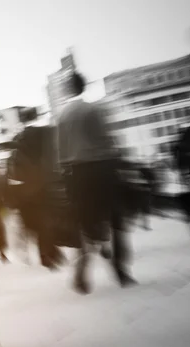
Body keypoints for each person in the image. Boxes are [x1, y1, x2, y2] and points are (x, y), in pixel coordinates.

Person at [57, 72, 137, 295]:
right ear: (84, 85)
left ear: (67, 89)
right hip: (100, 170)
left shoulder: (62, 116)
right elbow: (106, 140)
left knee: (84, 225)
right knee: (115, 219)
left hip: (76, 175)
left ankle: (80, 273)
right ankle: (120, 270)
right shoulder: (93, 109)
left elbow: (60, 152)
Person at [8, 107, 64, 269]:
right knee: (48, 221)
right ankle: (50, 254)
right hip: (46, 185)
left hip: (26, 190)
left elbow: (13, 168)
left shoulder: (18, 138)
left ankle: (47, 254)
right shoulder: (47, 133)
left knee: (37, 224)